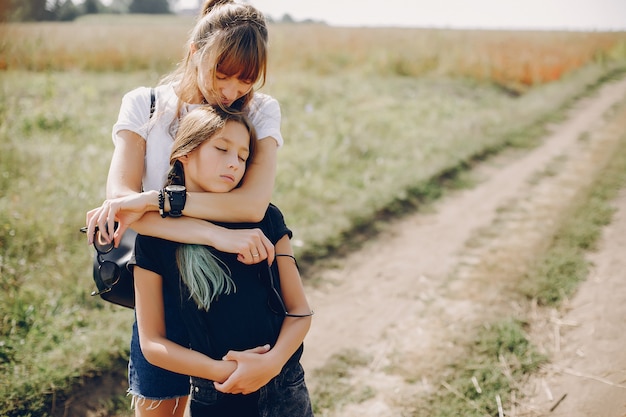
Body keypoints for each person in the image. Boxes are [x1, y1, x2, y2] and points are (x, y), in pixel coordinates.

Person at [85, 1, 285, 415]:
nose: (232, 92)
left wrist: (151, 204)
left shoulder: (261, 110)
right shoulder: (146, 105)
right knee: (161, 407)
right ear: (195, 52)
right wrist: (214, 232)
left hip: (234, 285)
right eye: (222, 74)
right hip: (158, 281)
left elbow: (250, 206)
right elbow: (122, 202)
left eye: (245, 80)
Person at [125, 105, 313, 416]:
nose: (234, 163)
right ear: (184, 153)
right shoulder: (156, 237)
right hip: (216, 397)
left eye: (242, 156)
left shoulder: (264, 217)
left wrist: (271, 363)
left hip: (284, 388)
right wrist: (220, 371)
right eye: (222, 149)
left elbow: (300, 312)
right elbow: (152, 342)